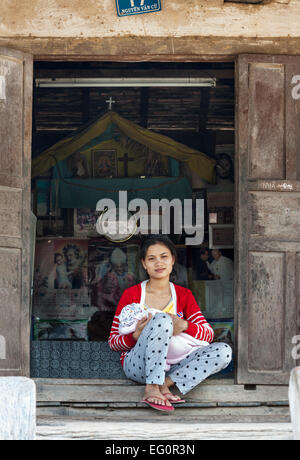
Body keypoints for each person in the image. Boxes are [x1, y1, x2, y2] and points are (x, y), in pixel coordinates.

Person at [109, 235, 232, 412]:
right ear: (144, 263)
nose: (158, 263)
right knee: (162, 319)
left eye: (164, 256)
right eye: (152, 259)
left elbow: (208, 334)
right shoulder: (132, 295)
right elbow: (113, 342)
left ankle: (164, 384)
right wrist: (135, 335)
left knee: (223, 352)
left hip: (173, 367)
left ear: (173, 259)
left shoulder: (184, 295)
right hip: (139, 365)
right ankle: (151, 387)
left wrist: (185, 326)